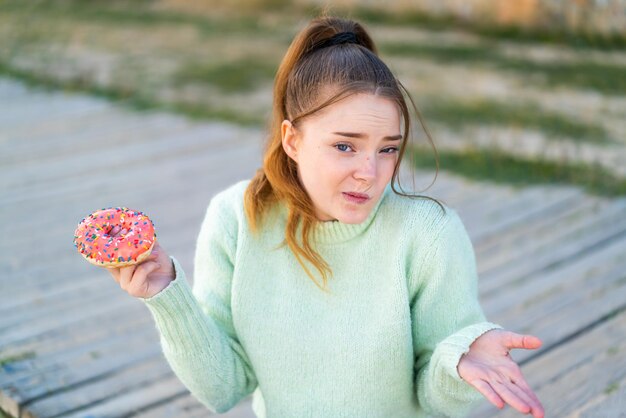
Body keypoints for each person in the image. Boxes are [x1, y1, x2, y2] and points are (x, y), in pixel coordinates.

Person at [104, 14, 545, 418]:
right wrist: (167, 297)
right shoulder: (236, 219)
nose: (369, 174)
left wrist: (457, 360)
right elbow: (224, 388)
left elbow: (435, 397)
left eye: (387, 148)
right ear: (292, 140)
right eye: (345, 146)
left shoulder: (427, 234)